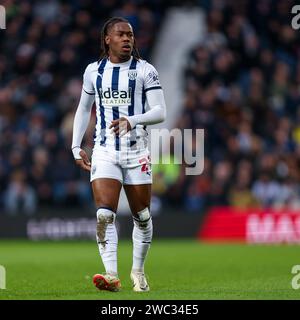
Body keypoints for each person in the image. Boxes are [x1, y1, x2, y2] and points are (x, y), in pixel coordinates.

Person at [71, 17, 166, 292]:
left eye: (131, 35)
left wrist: (132, 120)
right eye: (121, 34)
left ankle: (138, 270)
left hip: (137, 153)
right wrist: (76, 146)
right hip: (104, 152)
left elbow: (161, 111)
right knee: (104, 215)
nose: (127, 39)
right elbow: (82, 108)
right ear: (107, 39)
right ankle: (111, 274)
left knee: (143, 217)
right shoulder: (93, 71)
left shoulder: (145, 70)